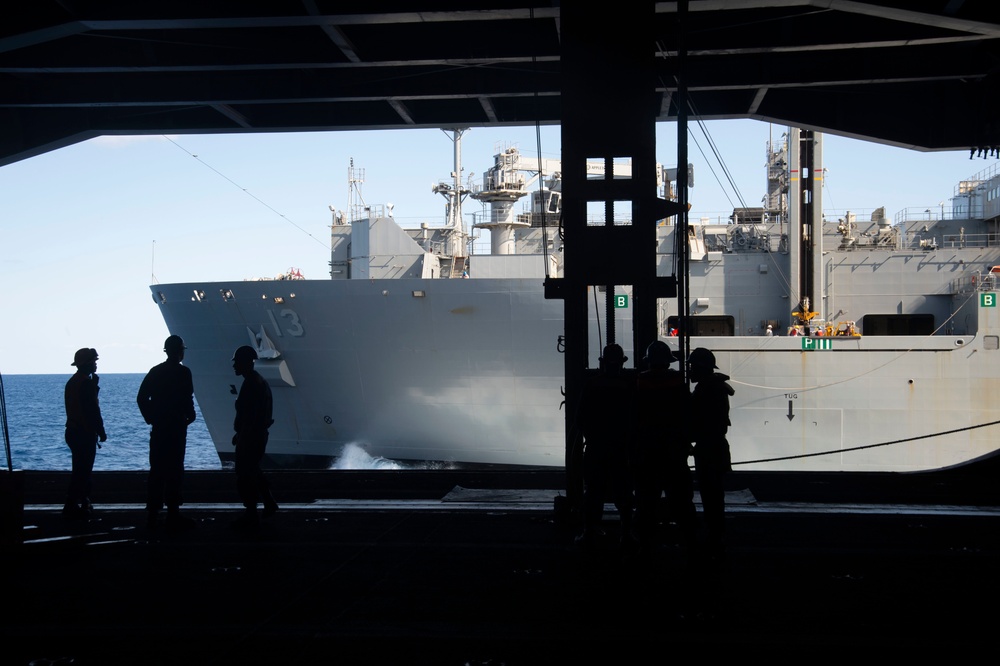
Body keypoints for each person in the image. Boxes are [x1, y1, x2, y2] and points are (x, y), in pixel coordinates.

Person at [635, 341, 694, 551]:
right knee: (681, 501)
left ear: (648, 361)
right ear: (669, 362)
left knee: (646, 501)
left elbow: (633, 418)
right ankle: (689, 542)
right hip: (674, 452)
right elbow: (688, 416)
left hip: (647, 452)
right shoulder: (678, 383)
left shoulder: (639, 383)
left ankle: (644, 545)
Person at [576, 343, 635, 550]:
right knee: (624, 492)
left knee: (593, 492)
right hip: (620, 448)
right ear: (621, 363)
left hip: (596, 447)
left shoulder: (592, 385)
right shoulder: (630, 385)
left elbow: (581, 417)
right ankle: (626, 533)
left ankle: (589, 532)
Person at [137, 335, 197, 530]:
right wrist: (190, 416)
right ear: (179, 351)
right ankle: (173, 513)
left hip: (160, 428)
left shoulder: (156, 372)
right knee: (175, 469)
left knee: (157, 470)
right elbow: (187, 398)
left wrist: (151, 417)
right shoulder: (184, 373)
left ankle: (152, 514)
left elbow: (141, 398)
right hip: (177, 429)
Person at [688, 347, 735, 552]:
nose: (689, 370)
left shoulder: (706, 390)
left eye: (691, 366)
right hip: (716, 447)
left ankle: (714, 535)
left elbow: (699, 421)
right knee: (714, 494)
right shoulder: (714, 387)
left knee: (711, 494)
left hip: (708, 448)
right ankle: (716, 534)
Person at [231, 345, 278, 529]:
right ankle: (268, 502)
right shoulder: (257, 382)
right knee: (253, 471)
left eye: (237, 362)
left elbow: (250, 415)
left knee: (245, 474)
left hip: (250, 436)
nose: (234, 365)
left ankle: (251, 513)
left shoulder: (251, 384)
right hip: (255, 435)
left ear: (245, 362)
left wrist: (242, 434)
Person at [63, 347, 107, 519]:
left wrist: (93, 387)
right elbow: (92, 411)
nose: (96, 364)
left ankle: (76, 503)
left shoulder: (73, 382)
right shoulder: (86, 384)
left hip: (73, 431)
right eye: (94, 361)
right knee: (83, 471)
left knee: (79, 469)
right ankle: (76, 504)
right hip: (84, 433)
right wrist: (101, 431)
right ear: (87, 363)